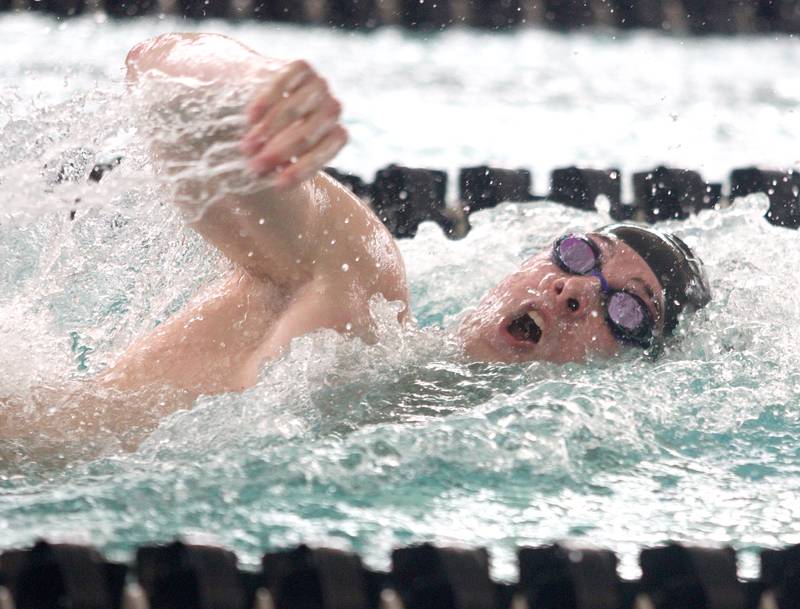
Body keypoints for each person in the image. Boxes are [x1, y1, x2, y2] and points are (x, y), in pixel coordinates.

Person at [0, 33, 711, 447]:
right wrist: (255, 86)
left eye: (628, 311)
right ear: (521, 265)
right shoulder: (362, 289)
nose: (578, 289)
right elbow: (160, 72)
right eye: (578, 254)